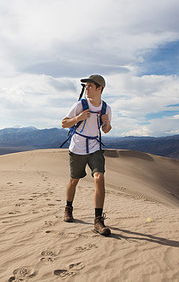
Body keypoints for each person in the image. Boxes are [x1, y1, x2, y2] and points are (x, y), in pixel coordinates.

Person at [61, 74, 112, 236]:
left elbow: (106, 130)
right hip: (77, 148)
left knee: (99, 177)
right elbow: (64, 123)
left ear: (100, 89)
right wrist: (78, 117)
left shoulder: (106, 108)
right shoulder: (80, 105)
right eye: (86, 86)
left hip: (95, 148)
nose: (86, 89)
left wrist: (107, 123)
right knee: (74, 180)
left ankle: (98, 220)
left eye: (90, 86)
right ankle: (68, 208)